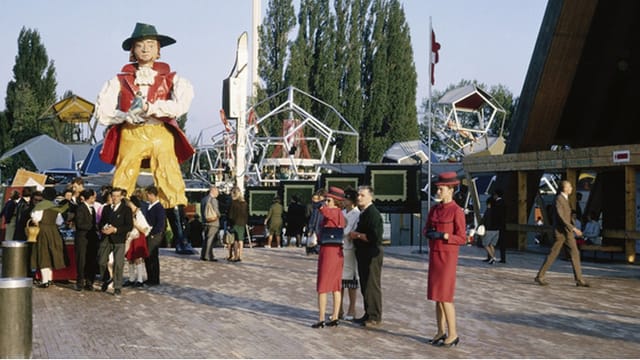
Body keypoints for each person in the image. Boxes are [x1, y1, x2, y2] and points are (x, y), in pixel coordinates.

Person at [95, 22, 196, 255]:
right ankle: (116, 228)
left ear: (158, 49)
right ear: (132, 50)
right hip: (132, 132)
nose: (145, 49)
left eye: (150, 44)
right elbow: (102, 111)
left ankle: (181, 238)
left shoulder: (172, 78)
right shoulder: (118, 80)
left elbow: (180, 104)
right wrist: (124, 114)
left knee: (171, 179)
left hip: (160, 132)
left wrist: (153, 107)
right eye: (140, 45)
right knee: (123, 177)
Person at [422, 171, 467, 347]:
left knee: (446, 297)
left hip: (447, 258)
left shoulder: (457, 211)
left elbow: (462, 238)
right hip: (434, 255)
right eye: (438, 188)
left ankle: (453, 334)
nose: (438, 191)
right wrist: (430, 233)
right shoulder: (434, 209)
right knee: (437, 296)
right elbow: (426, 229)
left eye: (441, 189)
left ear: (450, 190)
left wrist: (445, 235)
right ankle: (440, 331)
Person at [535, 180, 590, 287]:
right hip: (561, 232)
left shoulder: (564, 198)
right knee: (553, 254)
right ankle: (540, 276)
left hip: (567, 232)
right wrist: (573, 228)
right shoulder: (559, 199)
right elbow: (561, 217)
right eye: (569, 186)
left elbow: (567, 216)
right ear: (564, 188)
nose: (571, 188)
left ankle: (579, 279)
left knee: (574, 253)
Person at [349, 185, 384, 328]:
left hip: (371, 254)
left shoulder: (373, 213)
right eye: (358, 195)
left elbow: (375, 236)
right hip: (363, 253)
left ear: (371, 197)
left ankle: (375, 316)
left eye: (362, 195)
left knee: (371, 285)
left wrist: (357, 235)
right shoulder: (364, 213)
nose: (359, 197)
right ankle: (368, 313)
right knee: (365, 284)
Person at [311, 187, 346, 328]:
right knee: (336, 286)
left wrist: (320, 203)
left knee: (323, 286)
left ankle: (321, 318)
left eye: (329, 200)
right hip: (337, 251)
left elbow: (323, 210)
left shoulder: (333, 212)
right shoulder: (340, 214)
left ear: (336, 202)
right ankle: (335, 316)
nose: (326, 202)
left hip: (328, 252)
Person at [30, 187, 68, 288]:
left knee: (43, 255)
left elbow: (35, 219)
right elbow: (59, 222)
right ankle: (50, 279)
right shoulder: (55, 206)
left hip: (42, 231)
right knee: (51, 255)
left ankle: (45, 280)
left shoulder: (40, 206)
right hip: (53, 231)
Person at [98, 187, 133, 296]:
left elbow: (129, 226)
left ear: (122, 197)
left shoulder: (126, 209)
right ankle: (107, 278)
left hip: (119, 239)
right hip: (106, 238)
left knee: (118, 263)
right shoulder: (106, 208)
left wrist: (115, 229)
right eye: (113, 196)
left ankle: (117, 286)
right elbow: (101, 222)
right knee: (101, 261)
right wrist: (103, 228)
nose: (115, 198)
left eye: (117, 196)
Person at [339, 187, 360, 321]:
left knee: (351, 280)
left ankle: (352, 309)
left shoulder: (357, 214)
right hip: (339, 248)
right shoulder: (341, 212)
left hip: (350, 249)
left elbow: (347, 230)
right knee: (339, 280)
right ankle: (339, 308)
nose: (344, 201)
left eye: (346, 199)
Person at [73, 189, 100, 291]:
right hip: (82, 238)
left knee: (91, 260)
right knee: (81, 260)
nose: (95, 199)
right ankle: (80, 282)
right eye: (94, 197)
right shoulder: (80, 208)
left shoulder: (92, 209)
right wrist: (93, 227)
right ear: (90, 197)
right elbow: (79, 224)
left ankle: (89, 282)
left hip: (91, 239)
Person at [123, 196, 151, 287]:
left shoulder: (139, 214)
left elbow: (145, 229)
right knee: (130, 258)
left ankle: (139, 279)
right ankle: (131, 278)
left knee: (138, 258)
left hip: (138, 237)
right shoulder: (129, 213)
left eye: (129, 203)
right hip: (131, 237)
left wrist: (135, 224)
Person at [144, 185, 166, 286]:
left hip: (154, 235)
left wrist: (153, 233)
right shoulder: (150, 206)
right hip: (148, 234)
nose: (147, 197)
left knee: (152, 257)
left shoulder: (159, 207)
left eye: (148, 195)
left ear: (152, 195)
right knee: (148, 257)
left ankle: (154, 279)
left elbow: (161, 224)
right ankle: (150, 277)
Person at [227, 186, 248, 262]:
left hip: (235, 222)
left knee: (235, 240)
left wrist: (229, 222)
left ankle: (235, 256)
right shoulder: (244, 203)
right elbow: (246, 214)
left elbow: (230, 215)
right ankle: (240, 256)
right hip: (242, 223)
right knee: (241, 240)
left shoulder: (233, 203)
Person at [200, 185, 220, 262]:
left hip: (205, 222)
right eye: (217, 191)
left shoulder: (203, 199)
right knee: (210, 239)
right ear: (213, 191)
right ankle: (207, 255)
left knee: (206, 239)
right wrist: (219, 215)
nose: (218, 193)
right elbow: (216, 211)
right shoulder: (214, 200)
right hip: (213, 222)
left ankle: (204, 254)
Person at [481, 197, 499, 264]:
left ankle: (493, 257)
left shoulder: (488, 211)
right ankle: (492, 258)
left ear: (488, 203)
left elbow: (486, 220)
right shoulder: (497, 210)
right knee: (491, 245)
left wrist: (485, 228)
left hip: (489, 230)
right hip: (497, 230)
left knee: (485, 244)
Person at [492, 189, 507, 263]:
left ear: (496, 195)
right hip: (503, 225)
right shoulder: (504, 203)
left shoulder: (497, 204)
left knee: (491, 241)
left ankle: (491, 257)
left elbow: (495, 215)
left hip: (497, 225)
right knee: (502, 243)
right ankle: (503, 258)